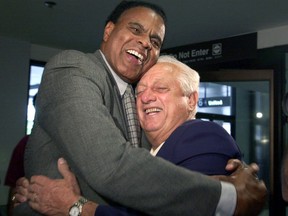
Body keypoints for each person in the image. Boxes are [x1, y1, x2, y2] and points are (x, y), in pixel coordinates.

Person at [14, 1, 266, 216]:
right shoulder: (73, 68)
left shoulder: (137, 106)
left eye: (155, 41)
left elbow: (150, 177)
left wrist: (229, 172)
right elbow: (111, 167)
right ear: (109, 30)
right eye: (135, 28)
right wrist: (230, 196)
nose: (145, 42)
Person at [23, 55, 247, 216]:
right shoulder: (138, 151)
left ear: (191, 100)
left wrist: (75, 207)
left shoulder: (204, 136)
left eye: (160, 89)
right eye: (139, 91)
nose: (146, 97)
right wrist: (34, 193)